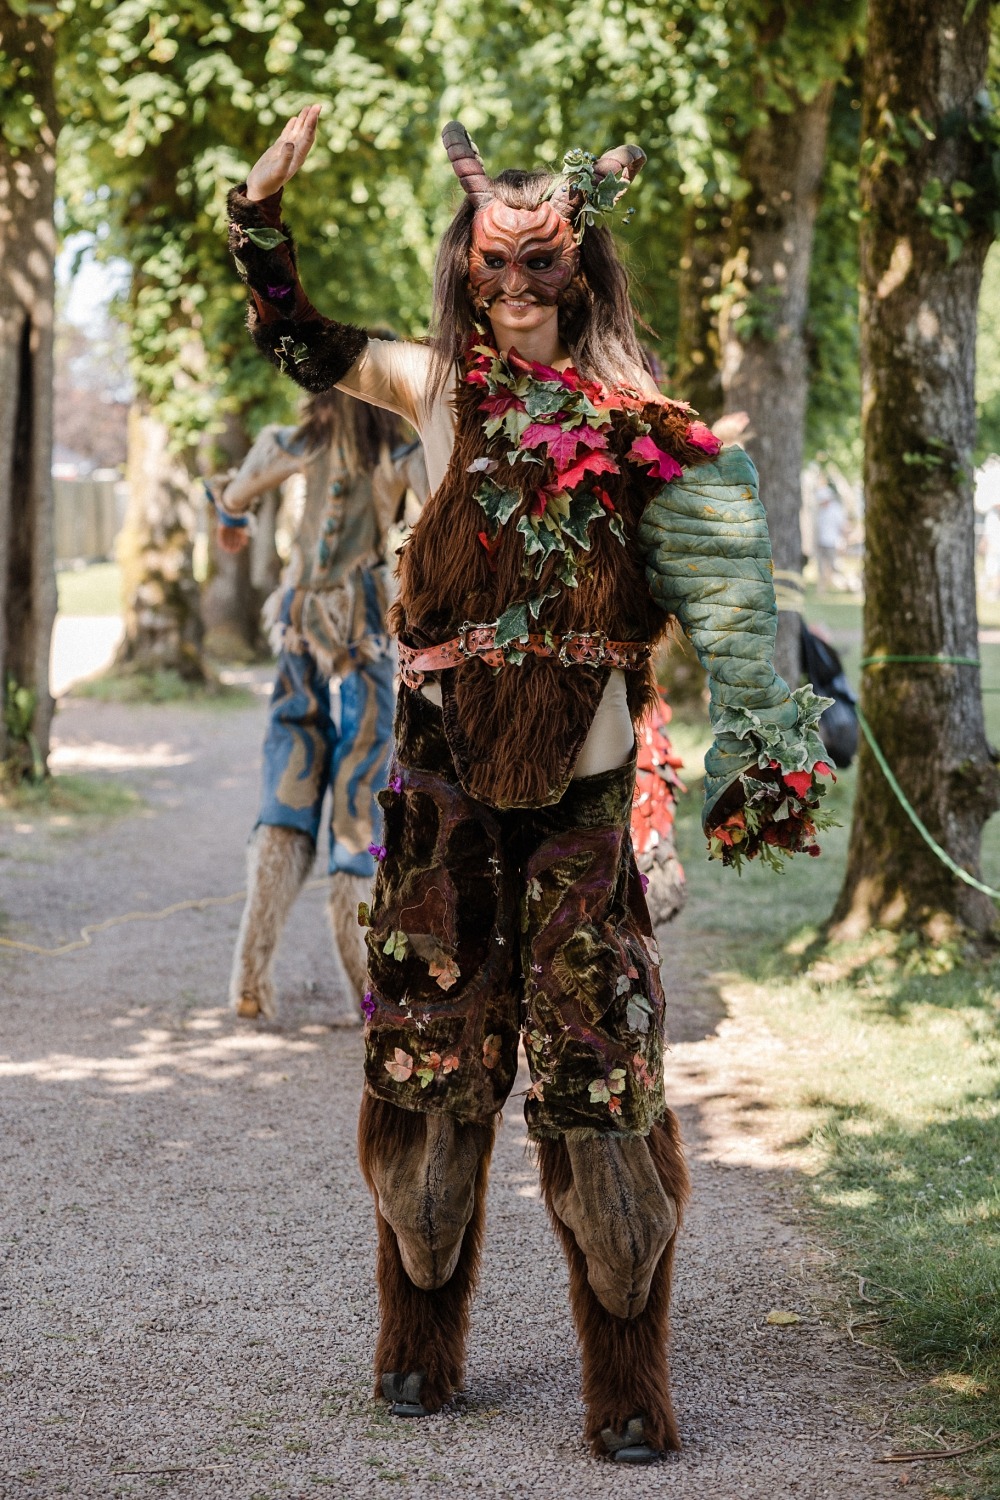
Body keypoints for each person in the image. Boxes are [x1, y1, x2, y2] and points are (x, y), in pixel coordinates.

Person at [226, 105, 831, 1463]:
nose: (513, 289)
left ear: (582, 270)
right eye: (492, 267)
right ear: (462, 268)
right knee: (432, 1079)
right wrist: (260, 224)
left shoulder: (638, 424)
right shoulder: (430, 387)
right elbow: (301, 344)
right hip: (442, 783)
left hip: (585, 792)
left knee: (600, 1082)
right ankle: (416, 1348)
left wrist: (766, 727)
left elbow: (728, 591)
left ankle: (627, 1385)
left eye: (541, 265)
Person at [207, 378, 427, 1016]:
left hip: (301, 623)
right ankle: (367, 990)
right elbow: (439, 514)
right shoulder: (399, 451)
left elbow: (241, 489)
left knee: (291, 773)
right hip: (362, 629)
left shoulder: (300, 439)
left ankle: (251, 976)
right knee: (362, 784)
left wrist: (230, 516)